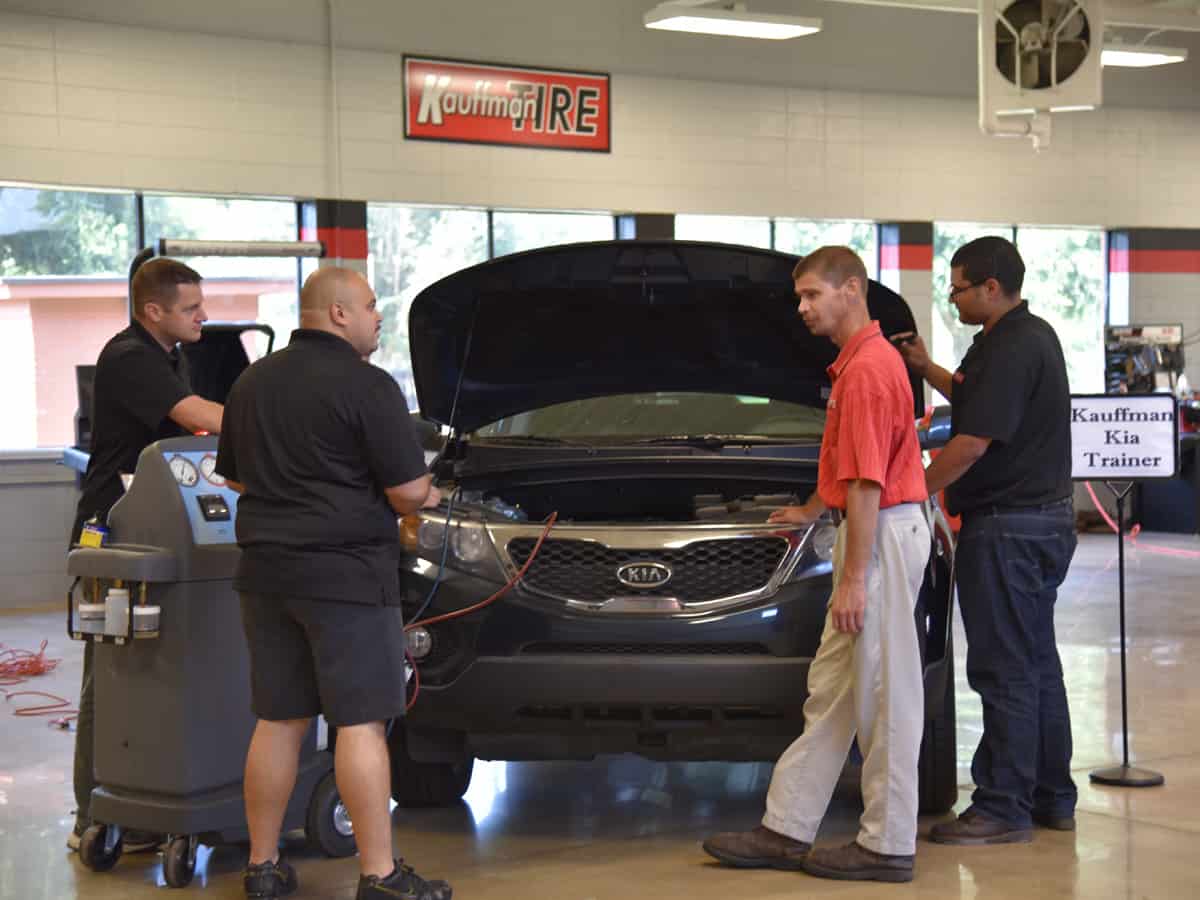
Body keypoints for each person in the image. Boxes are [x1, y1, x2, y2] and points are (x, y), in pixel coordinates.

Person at [214, 266, 450, 900]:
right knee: (362, 723)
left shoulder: (251, 381)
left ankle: (262, 867)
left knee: (279, 719)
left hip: (265, 576)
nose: (378, 317)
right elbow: (405, 494)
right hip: (346, 578)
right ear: (338, 313)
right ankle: (379, 874)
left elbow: (234, 478)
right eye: (371, 306)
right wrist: (428, 488)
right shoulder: (369, 386)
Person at [703, 246, 931, 883]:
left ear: (850, 290)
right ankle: (787, 828)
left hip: (879, 535)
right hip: (868, 530)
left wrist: (854, 578)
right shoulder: (857, 363)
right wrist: (810, 509)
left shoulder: (867, 371)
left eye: (811, 295)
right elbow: (848, 467)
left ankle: (887, 844)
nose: (801, 307)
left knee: (885, 696)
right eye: (799, 297)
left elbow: (867, 485)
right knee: (831, 691)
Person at [891, 236, 1077, 844]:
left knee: (1003, 670)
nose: (953, 296)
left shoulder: (1010, 348)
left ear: (990, 287)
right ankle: (1051, 796)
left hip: (1008, 529)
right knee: (1036, 664)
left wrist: (907, 492)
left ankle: (1002, 807)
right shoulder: (1028, 336)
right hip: (1041, 522)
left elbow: (970, 444)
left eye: (959, 287)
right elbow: (981, 405)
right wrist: (928, 371)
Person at [68, 257, 223, 851]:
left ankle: (148, 797)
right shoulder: (132, 357)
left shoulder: (168, 355)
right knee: (106, 674)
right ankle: (93, 812)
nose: (203, 315)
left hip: (151, 527)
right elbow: (194, 417)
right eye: (191, 307)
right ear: (152, 310)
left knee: (154, 670)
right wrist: (278, 427)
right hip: (112, 537)